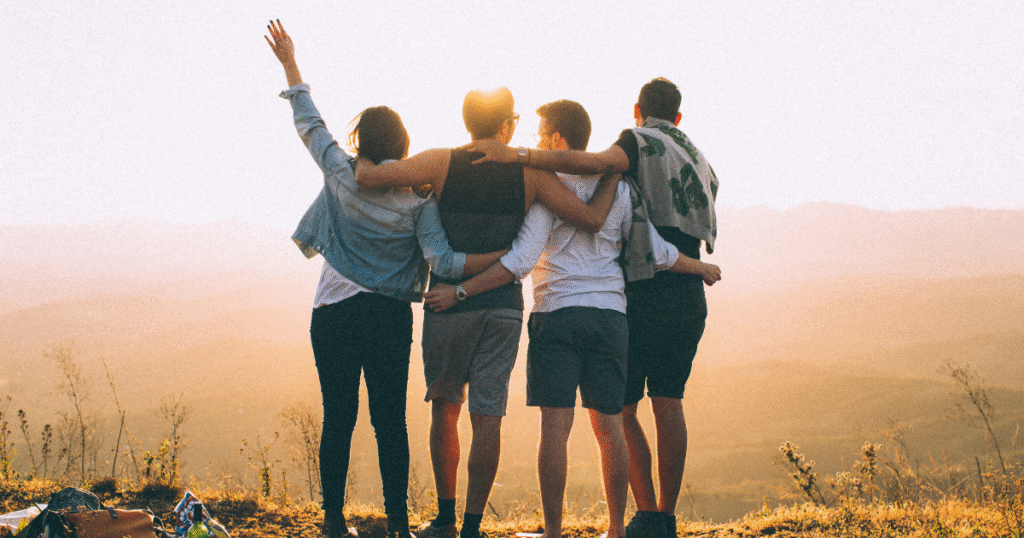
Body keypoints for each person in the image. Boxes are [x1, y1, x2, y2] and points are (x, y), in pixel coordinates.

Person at [424, 100, 719, 538]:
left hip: (557, 315)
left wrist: (461, 290)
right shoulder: (618, 188)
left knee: (555, 429)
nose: (537, 141)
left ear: (559, 140)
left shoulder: (547, 189)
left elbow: (522, 260)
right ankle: (616, 530)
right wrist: (702, 268)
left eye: (543, 134)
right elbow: (655, 250)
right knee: (610, 427)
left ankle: (554, 533)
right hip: (611, 318)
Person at [265, 21, 508, 538]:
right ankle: (397, 522)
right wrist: (500, 256)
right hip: (388, 317)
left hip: (332, 309)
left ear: (360, 141)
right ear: (403, 143)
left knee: (338, 418)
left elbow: (310, 123)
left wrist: (290, 62)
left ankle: (333, 520)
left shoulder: (340, 171)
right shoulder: (417, 198)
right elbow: (442, 262)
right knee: (389, 422)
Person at [354, 89, 620, 538]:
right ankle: (473, 525)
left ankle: (444, 519)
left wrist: (359, 161)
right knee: (487, 416)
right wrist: (613, 170)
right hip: (501, 308)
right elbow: (590, 219)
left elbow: (371, 178)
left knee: (445, 409)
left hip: (446, 305)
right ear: (506, 127)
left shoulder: (440, 162)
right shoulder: (531, 175)